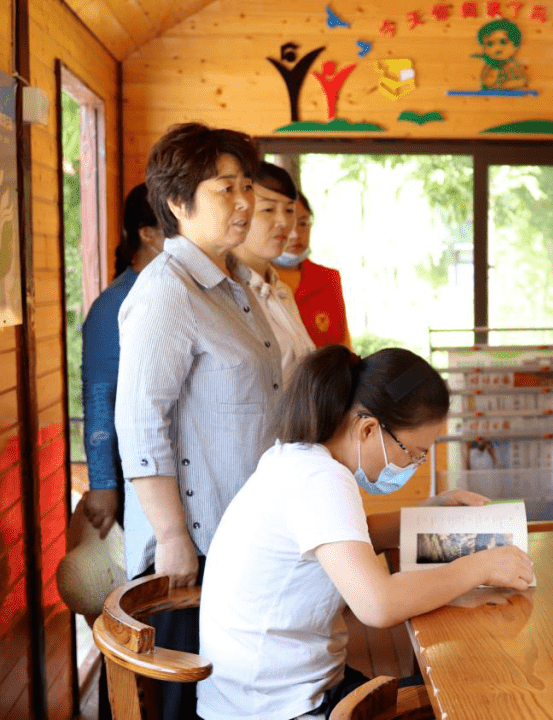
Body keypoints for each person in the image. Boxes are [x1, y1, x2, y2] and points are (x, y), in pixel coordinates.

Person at [197, 346, 534, 720]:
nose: (414, 466)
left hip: (256, 694)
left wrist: (428, 514)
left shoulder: (297, 460)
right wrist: (481, 567)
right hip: (278, 708)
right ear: (369, 428)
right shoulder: (321, 480)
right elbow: (380, 605)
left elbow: (350, 538)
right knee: (473, 696)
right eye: (414, 453)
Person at [114, 123, 282, 720]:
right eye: (224, 190)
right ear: (179, 204)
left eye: (246, 187)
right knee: (189, 697)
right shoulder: (167, 290)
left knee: (232, 692)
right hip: (194, 547)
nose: (243, 203)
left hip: (242, 533)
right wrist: (171, 536)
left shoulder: (234, 285)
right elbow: (139, 425)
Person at [81, 183, 164, 538]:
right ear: (148, 235)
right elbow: (100, 395)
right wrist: (103, 484)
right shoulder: (112, 305)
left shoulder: (177, 293)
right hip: (134, 474)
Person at [234, 161, 316, 381]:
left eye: (289, 210)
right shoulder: (225, 291)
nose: (283, 222)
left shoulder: (279, 289)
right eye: (268, 209)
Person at [274, 192, 352, 348]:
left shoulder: (328, 279)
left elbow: (344, 346)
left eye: (303, 224)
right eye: (287, 225)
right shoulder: (254, 280)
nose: (295, 235)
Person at [474, 18, 528, 90]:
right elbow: (485, 81)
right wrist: (493, 74)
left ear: (515, 44)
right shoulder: (490, 65)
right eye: (490, 44)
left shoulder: (512, 65)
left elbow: (522, 81)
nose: (497, 48)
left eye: (503, 42)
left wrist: (506, 85)